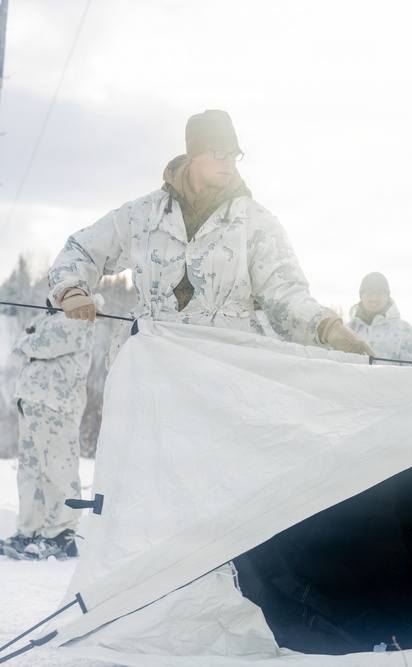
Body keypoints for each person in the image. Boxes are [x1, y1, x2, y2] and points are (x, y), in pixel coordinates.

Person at [49, 109, 373, 361]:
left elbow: (285, 293)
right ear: (193, 154)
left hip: (226, 374)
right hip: (149, 372)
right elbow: (82, 248)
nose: (228, 161)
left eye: (234, 153)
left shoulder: (255, 222)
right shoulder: (142, 215)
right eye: (219, 152)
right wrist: (71, 290)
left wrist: (326, 327)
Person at [1, 300, 96, 560]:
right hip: (31, 401)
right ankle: (30, 531)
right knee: (30, 473)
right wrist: (30, 343)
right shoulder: (46, 317)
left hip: (57, 403)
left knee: (58, 470)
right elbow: (18, 349)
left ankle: (60, 535)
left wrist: (30, 343)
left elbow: (43, 344)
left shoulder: (80, 311)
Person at [346, 272, 412, 362]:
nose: (374, 298)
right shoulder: (346, 331)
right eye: (369, 292)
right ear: (361, 296)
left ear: (387, 296)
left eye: (380, 293)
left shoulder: (404, 331)